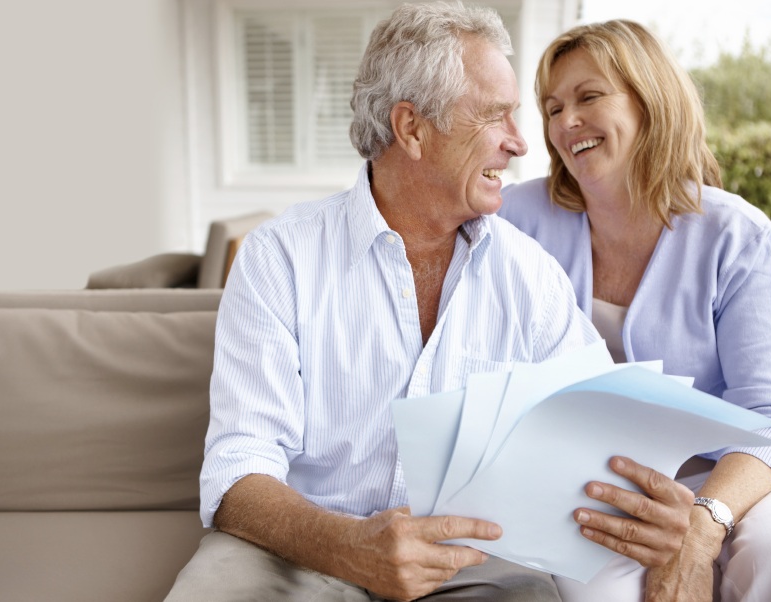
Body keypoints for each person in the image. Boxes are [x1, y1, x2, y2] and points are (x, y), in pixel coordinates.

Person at [165, 5, 697, 602]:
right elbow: (239, 471)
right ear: (412, 129)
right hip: (294, 555)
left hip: (471, 567)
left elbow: (601, 435)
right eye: (495, 116)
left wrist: (661, 506)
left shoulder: (530, 276)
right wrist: (349, 546)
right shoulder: (279, 257)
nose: (521, 144)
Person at [499, 18, 771, 602]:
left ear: (650, 102)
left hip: (742, 473)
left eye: (589, 97)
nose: (565, 122)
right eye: (551, 108)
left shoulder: (738, 235)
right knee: (598, 591)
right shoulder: (516, 218)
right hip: (600, 481)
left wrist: (700, 528)